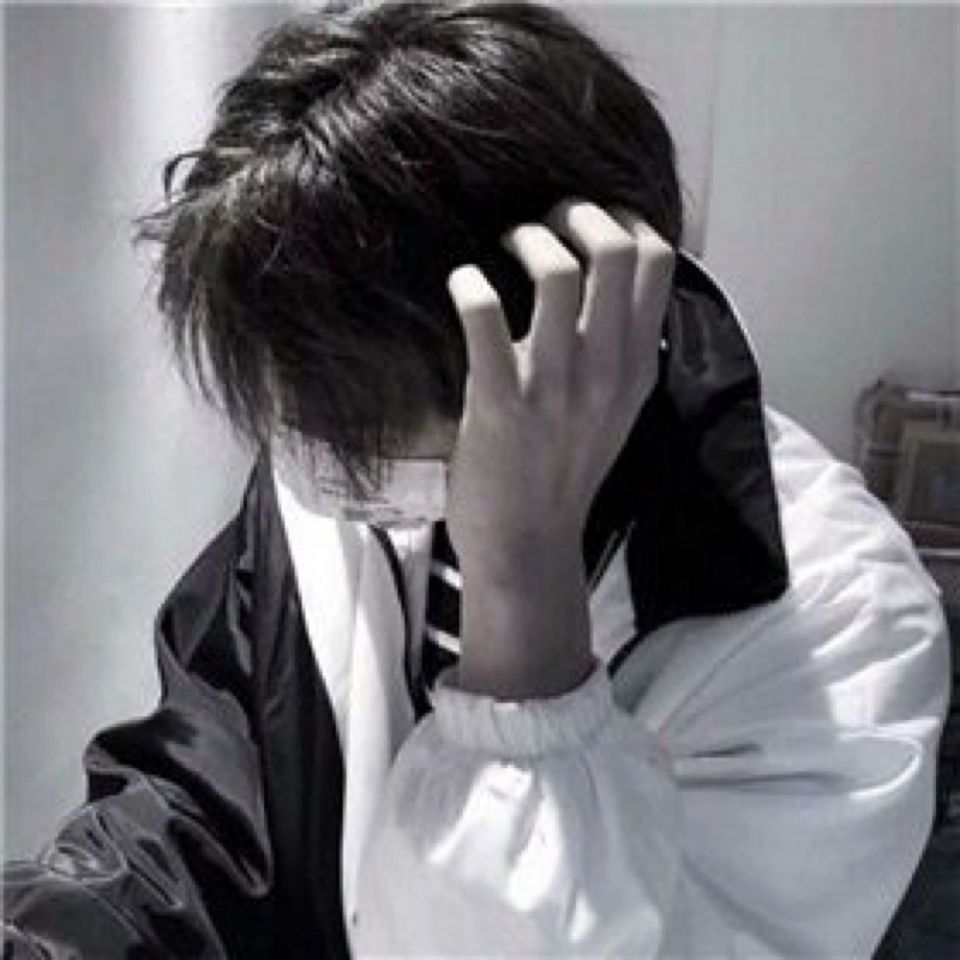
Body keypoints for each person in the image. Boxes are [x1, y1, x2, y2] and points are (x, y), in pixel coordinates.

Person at [3, 1, 951, 957]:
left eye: (369, 439)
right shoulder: (351, 427)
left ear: (572, 315)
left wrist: (522, 598)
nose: (335, 475)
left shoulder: (843, 625)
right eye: (311, 432)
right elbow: (201, 802)